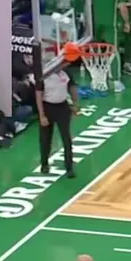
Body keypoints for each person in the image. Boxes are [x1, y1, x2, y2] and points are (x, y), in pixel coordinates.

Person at [37, 45, 82, 180]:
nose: (66, 64)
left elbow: (72, 87)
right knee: (45, 139)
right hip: (48, 107)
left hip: (62, 107)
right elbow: (38, 95)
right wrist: (42, 115)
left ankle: (69, 167)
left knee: (66, 139)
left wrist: (75, 104)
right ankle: (44, 164)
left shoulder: (66, 72)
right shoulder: (44, 74)